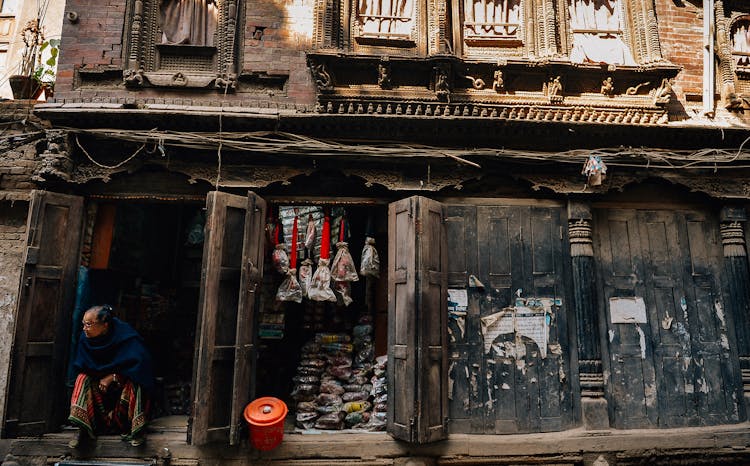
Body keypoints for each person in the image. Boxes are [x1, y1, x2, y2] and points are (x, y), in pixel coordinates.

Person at [68, 305, 154, 448]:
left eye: (89, 324)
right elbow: (85, 367)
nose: (84, 328)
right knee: (82, 378)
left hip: (123, 399)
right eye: (83, 324)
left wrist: (114, 376)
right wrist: (101, 378)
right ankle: (83, 429)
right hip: (100, 399)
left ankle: (137, 431)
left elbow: (141, 367)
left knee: (137, 381)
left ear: (105, 325)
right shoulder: (85, 339)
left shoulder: (127, 337)